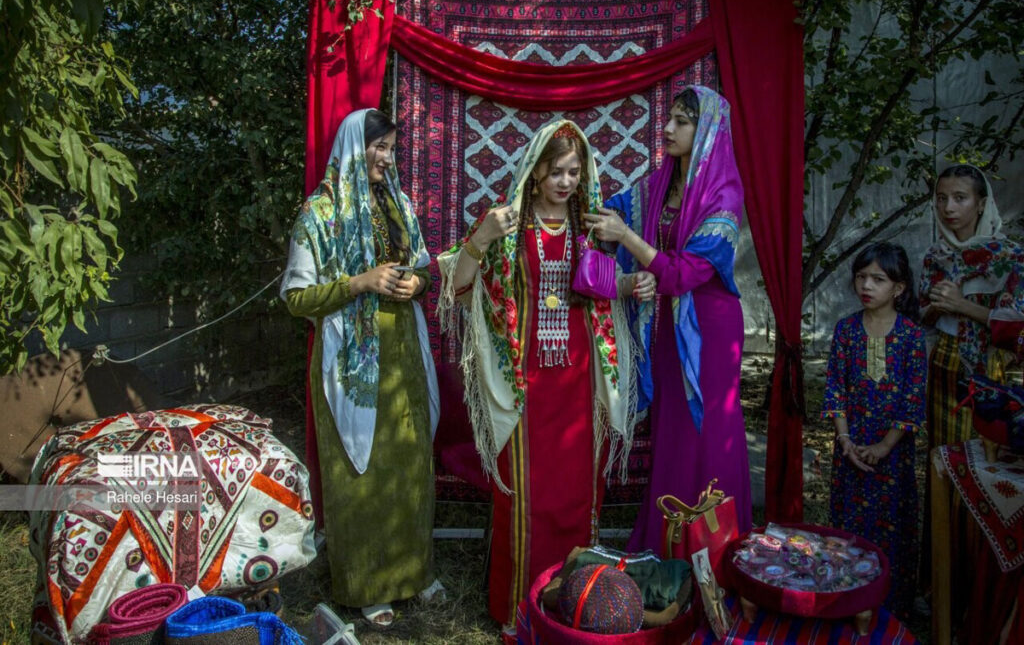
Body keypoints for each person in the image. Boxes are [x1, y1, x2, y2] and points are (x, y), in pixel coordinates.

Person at [436, 119, 639, 631]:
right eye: (556, 173)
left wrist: (634, 283)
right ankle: (519, 611)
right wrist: (481, 236)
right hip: (524, 384)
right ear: (534, 173)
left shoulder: (592, 228)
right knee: (525, 495)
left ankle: (575, 607)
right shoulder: (506, 225)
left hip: (579, 381)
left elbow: (606, 290)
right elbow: (458, 288)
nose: (566, 182)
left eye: (574, 172)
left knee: (576, 494)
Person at [281, 109, 443, 627]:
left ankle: (413, 573)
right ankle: (369, 584)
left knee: (411, 460)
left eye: (392, 149)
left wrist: (417, 283)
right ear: (355, 146)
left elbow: (420, 265)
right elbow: (296, 297)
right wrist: (360, 282)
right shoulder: (320, 214)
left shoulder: (398, 203)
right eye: (379, 148)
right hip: (352, 359)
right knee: (362, 468)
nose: (386, 159)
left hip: (403, 353)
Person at [584, 85, 752, 552]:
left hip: (709, 335)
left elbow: (681, 275)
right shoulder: (660, 183)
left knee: (709, 435)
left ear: (707, 132)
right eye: (670, 118)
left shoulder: (724, 197)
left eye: (681, 121)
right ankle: (668, 546)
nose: (668, 128)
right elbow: (610, 210)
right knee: (673, 435)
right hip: (667, 330)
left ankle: (716, 552)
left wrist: (628, 240)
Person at [821, 242, 925, 616]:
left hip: (893, 455)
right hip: (850, 451)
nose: (866, 285)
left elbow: (913, 400)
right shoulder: (846, 331)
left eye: (877, 279)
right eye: (861, 277)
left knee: (892, 528)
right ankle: (847, 600)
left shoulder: (912, 336)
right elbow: (835, 388)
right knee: (849, 529)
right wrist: (845, 439)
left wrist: (884, 446)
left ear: (898, 288)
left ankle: (891, 607)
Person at [920, 163, 1024, 447]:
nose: (948, 207)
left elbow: (1019, 327)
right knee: (942, 450)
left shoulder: (1010, 257)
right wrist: (936, 308)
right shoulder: (935, 255)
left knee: (984, 449)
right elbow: (922, 318)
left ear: (981, 204)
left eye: (959, 198)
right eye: (941, 198)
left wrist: (960, 305)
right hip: (941, 361)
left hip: (989, 366)